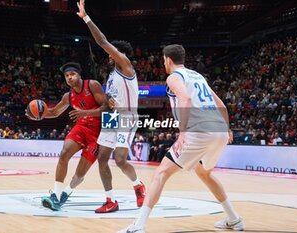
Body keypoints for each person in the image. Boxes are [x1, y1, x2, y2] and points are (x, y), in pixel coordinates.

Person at [118, 44, 244, 232]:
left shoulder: (174, 77)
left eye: (163, 59)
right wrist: (227, 129)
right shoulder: (198, 76)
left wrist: (183, 131)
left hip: (198, 130)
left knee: (161, 173)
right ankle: (234, 219)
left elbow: (185, 99)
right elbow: (221, 105)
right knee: (204, 173)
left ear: (168, 60)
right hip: (219, 131)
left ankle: (139, 225)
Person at [75, 0, 145, 213]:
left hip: (127, 117)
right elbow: (107, 103)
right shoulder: (112, 77)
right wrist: (106, 102)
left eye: (111, 53)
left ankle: (138, 186)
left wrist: (86, 18)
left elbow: (103, 41)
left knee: (121, 159)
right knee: (102, 158)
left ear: (118, 54)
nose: (108, 56)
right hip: (113, 118)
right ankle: (110, 200)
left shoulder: (125, 66)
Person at [27, 62, 107, 211]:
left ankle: (65, 193)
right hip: (81, 127)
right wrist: (38, 116)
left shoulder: (92, 85)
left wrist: (86, 113)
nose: (69, 77)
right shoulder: (68, 96)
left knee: (79, 174)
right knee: (64, 153)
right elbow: (54, 112)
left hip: (98, 132)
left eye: (72, 74)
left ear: (79, 75)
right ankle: (56, 196)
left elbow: (107, 108)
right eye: (67, 76)